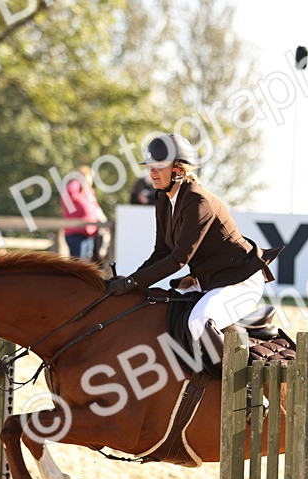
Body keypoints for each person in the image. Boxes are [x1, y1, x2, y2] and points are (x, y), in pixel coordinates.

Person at [106, 134, 277, 359]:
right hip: (212, 280)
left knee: (198, 322)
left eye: (159, 166)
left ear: (178, 170)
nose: (152, 172)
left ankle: (240, 388)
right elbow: (161, 253)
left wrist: (133, 282)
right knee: (161, 311)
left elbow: (179, 259)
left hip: (240, 281)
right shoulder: (163, 200)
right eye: (150, 167)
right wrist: (132, 281)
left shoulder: (198, 200)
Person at [61, 164, 107, 259]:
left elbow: (96, 209)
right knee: (78, 263)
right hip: (75, 233)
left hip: (90, 234)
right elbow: (70, 191)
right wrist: (80, 180)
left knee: (89, 263)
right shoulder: (74, 190)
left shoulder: (88, 193)